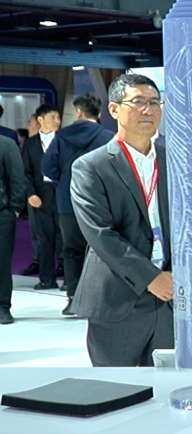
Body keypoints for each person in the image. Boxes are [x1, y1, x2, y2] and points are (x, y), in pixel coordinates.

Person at [67, 75, 173, 365]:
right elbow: (100, 234)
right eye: (138, 102)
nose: (148, 110)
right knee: (116, 384)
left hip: (170, 296)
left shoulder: (175, 162)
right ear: (114, 109)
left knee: (168, 385)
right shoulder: (91, 166)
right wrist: (151, 277)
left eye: (155, 102)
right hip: (117, 297)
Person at [43, 93, 113, 315]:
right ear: (98, 113)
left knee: (72, 250)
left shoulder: (61, 137)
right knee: (103, 249)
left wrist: (65, 180)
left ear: (78, 112)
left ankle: (74, 299)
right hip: (101, 201)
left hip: (68, 201)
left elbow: (47, 167)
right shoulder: (109, 137)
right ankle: (100, 299)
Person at [22, 104, 62, 290]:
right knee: (44, 238)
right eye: (52, 117)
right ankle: (47, 278)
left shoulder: (64, 141)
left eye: (58, 117)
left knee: (66, 237)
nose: (57, 121)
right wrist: (30, 193)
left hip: (62, 194)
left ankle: (69, 279)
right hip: (40, 196)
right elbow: (25, 172)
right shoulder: (30, 144)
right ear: (40, 120)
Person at [0, 132, 24, 325]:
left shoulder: (6, 145)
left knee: (2, 262)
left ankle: (2, 306)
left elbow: (17, 177)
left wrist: (15, 208)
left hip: (2, 213)